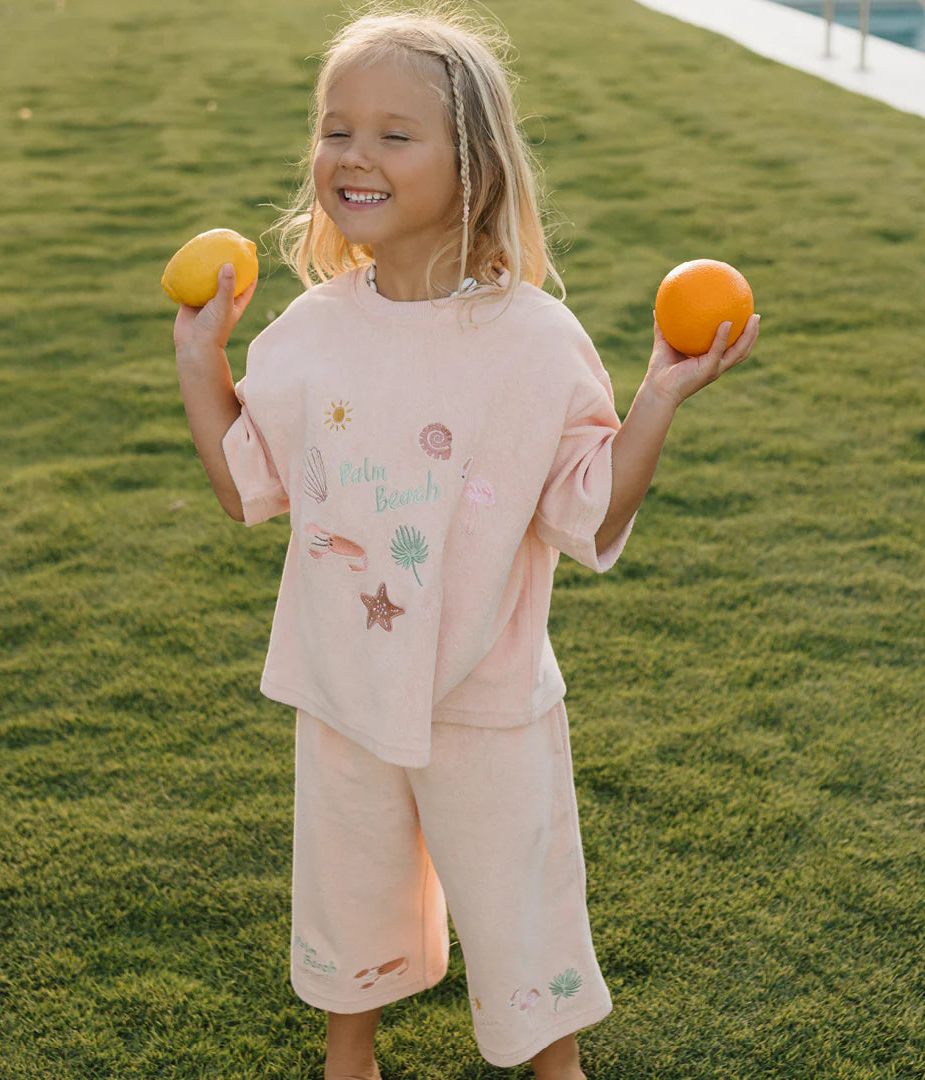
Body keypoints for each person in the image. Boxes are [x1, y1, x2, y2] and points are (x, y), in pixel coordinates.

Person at [172, 5, 758, 1078]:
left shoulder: (535, 340)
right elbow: (244, 483)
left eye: (397, 134)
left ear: (473, 167)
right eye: (337, 128)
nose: (355, 154)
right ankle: (351, 1055)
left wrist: (659, 398)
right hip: (345, 681)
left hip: (486, 694)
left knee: (516, 895)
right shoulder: (307, 333)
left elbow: (591, 512)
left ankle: (554, 1064)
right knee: (351, 885)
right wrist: (198, 358)